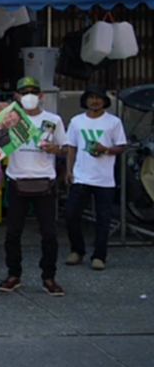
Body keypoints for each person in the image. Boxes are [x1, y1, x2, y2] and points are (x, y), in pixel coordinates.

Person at [0, 77, 67, 296]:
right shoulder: (11, 119)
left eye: (33, 91)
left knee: (49, 233)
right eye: (23, 92)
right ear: (17, 96)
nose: (28, 96)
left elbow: (65, 149)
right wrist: (0, 121)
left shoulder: (53, 119)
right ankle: (13, 274)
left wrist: (54, 150)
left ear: (41, 95)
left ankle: (48, 276)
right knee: (12, 233)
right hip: (17, 180)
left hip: (44, 182)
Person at [64, 85, 127, 271]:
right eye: (90, 97)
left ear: (104, 101)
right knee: (71, 214)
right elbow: (71, 148)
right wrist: (69, 170)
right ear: (85, 101)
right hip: (81, 176)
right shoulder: (76, 121)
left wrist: (105, 149)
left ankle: (99, 256)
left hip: (104, 178)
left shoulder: (113, 122)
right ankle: (77, 250)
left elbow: (121, 147)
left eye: (98, 97)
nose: (94, 101)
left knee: (103, 219)